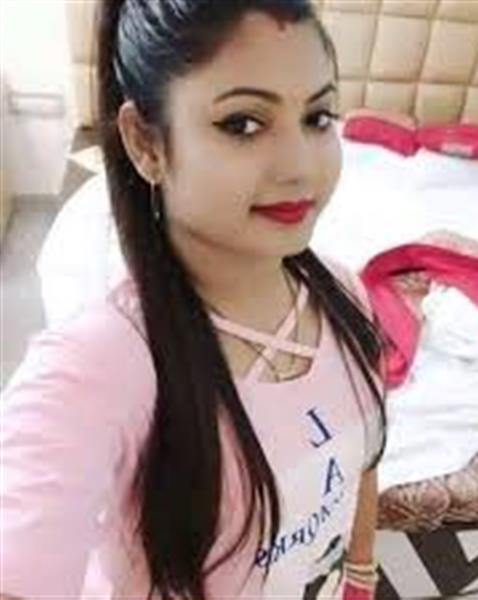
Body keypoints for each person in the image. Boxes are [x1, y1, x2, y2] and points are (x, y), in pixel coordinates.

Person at [0, 1, 387, 598]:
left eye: (317, 117)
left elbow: (361, 466)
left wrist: (359, 576)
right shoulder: (95, 368)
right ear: (146, 143)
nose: (300, 167)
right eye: (243, 124)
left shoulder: (344, 295)